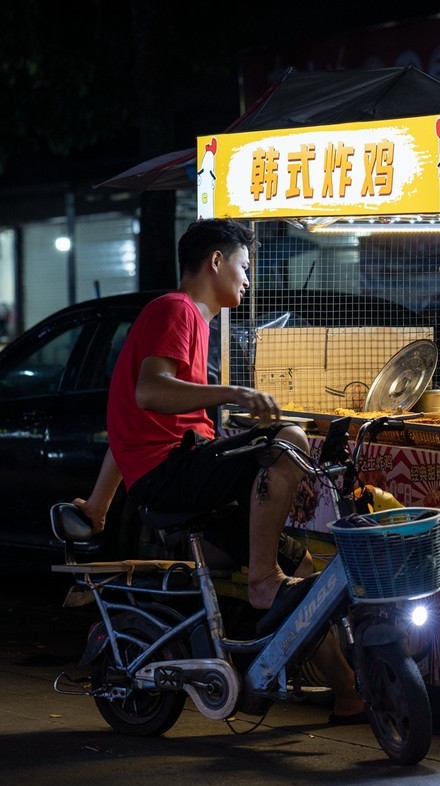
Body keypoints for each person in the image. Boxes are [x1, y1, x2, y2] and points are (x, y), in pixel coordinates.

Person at [76, 218, 364, 722]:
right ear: (216, 261)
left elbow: (127, 429)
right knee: (287, 441)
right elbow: (150, 392)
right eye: (244, 266)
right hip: (173, 473)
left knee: (305, 572)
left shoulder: (190, 319)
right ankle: (262, 581)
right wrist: (236, 393)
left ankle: (348, 693)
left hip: (165, 476)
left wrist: (98, 507)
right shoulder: (178, 310)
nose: (248, 279)